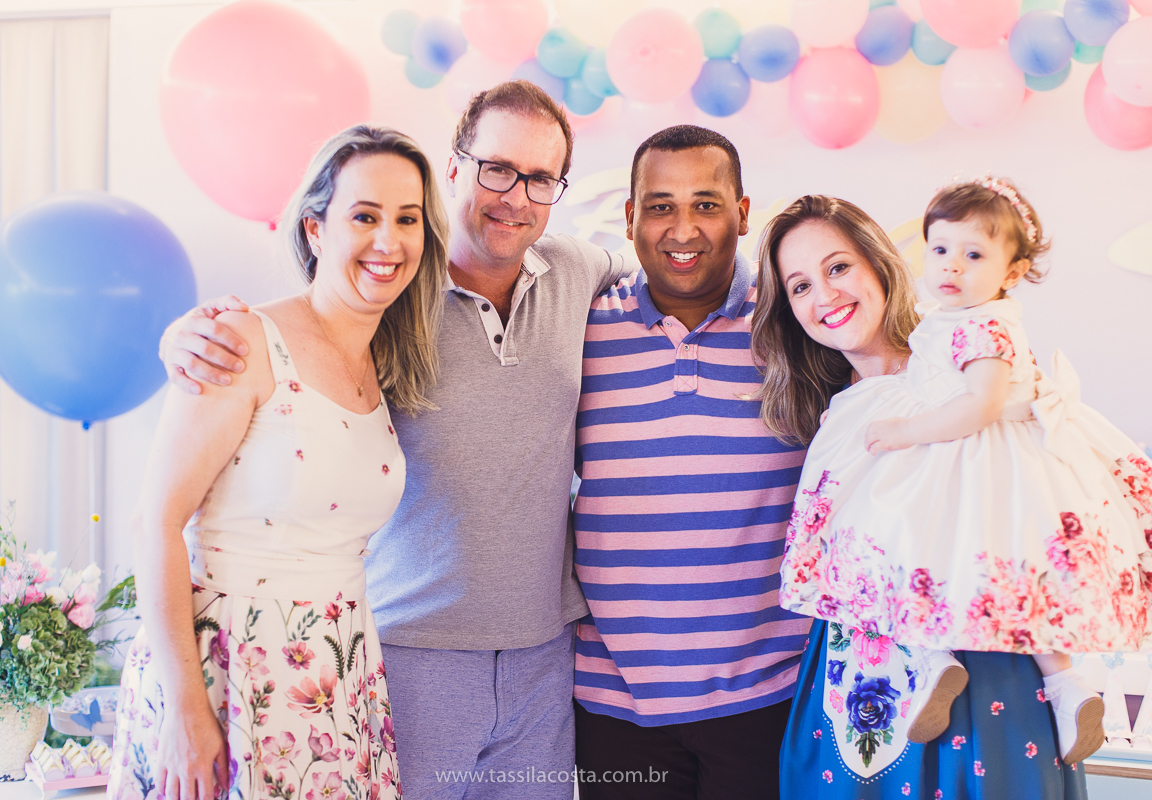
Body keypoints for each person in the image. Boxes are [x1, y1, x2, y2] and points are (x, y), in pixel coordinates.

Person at [158, 81, 629, 800]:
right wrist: (179, 338)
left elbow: (680, 268)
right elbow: (295, 340)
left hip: (543, 652)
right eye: (496, 168)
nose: (515, 196)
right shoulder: (389, 288)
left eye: (540, 179)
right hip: (409, 650)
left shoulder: (578, 269)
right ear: (455, 165)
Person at [109, 125, 449, 800]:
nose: (389, 241)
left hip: (336, 674)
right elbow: (156, 522)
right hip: (227, 673)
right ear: (316, 228)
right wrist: (186, 708)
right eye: (365, 216)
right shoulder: (240, 341)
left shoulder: (386, 361)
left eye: (407, 219)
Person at [774, 178, 1152, 763]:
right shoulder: (834, 404)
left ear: (880, 264)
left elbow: (1020, 481)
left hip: (988, 659)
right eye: (800, 285)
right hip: (859, 675)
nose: (824, 295)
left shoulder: (957, 355)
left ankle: (1054, 685)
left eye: (839, 267)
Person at [573, 126, 810, 799]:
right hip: (613, 703)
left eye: (706, 205)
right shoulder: (581, 331)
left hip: (770, 697)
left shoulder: (795, 328)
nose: (683, 229)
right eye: (660, 206)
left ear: (741, 213)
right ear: (629, 218)